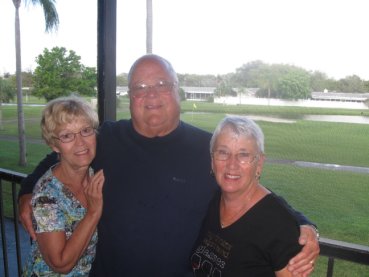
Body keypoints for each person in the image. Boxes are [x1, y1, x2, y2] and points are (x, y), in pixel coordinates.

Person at [18, 54, 319, 277]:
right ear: (130, 97)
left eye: (161, 84)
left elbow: (251, 186)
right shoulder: (107, 138)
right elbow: (58, 156)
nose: (151, 95)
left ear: (177, 91)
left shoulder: (209, 148)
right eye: (140, 87)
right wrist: (28, 191)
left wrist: (303, 223)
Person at [191, 116, 309, 276]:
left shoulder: (279, 224)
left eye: (244, 155)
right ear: (213, 160)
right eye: (223, 152)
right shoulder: (212, 200)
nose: (232, 164)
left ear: (259, 163)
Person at [22, 96, 104, 276]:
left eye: (86, 130)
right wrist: (93, 212)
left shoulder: (93, 175)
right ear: (54, 145)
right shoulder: (47, 196)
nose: (81, 142)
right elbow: (60, 264)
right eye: (67, 136)